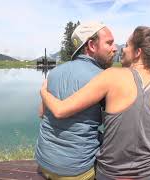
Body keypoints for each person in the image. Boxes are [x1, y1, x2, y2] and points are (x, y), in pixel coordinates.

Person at [40, 26, 150, 180]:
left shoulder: (111, 75)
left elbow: (58, 110)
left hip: (107, 174)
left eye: (127, 45)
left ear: (138, 52)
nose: (121, 49)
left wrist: (43, 92)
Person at [35, 21, 117, 180]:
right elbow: (117, 129)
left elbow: (41, 113)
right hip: (76, 171)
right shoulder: (104, 78)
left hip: (43, 161)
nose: (115, 48)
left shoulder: (54, 72)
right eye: (109, 43)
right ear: (92, 45)